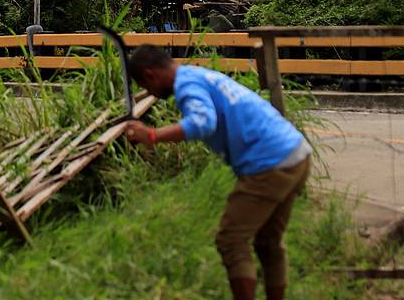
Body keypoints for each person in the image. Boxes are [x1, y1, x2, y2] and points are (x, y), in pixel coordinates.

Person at [123, 45, 312, 300]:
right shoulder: (197, 75)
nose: (150, 92)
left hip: (270, 162)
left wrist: (152, 135)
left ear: (150, 74)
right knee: (268, 242)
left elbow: (203, 123)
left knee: (231, 240)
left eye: (146, 86)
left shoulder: (185, 85)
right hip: (296, 153)